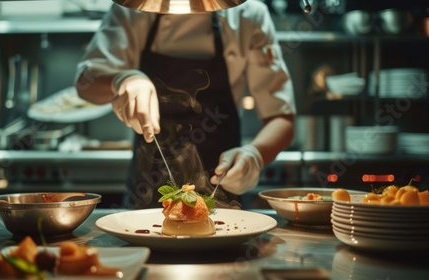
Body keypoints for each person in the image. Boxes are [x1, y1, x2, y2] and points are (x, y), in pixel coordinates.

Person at [75, 0, 296, 209]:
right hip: (145, 191)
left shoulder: (248, 16)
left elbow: (281, 117)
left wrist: (255, 155)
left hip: (223, 191)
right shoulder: (134, 8)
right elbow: (85, 83)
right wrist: (121, 80)